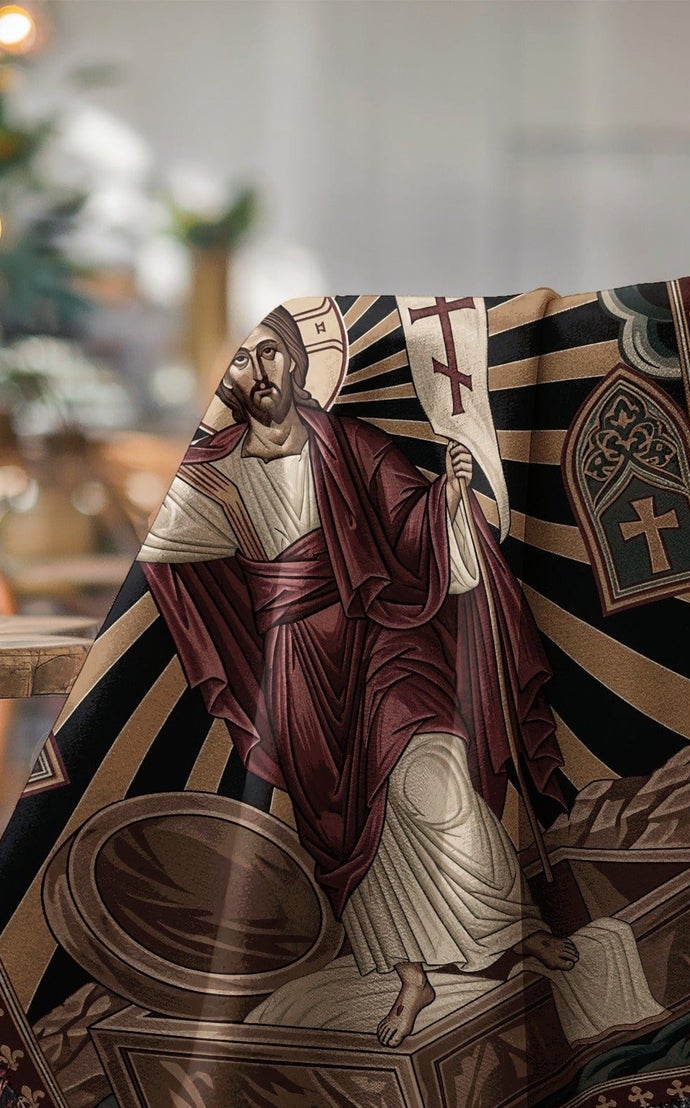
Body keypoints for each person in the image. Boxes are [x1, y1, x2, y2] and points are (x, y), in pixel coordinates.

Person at [139, 306, 575, 1045]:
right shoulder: (212, 475)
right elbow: (165, 560)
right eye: (243, 361)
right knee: (344, 829)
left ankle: (510, 933)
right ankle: (407, 980)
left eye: (272, 353)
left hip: (381, 636)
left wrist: (445, 499)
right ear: (228, 379)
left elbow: (408, 523)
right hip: (298, 663)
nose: (260, 372)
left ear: (301, 362)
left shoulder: (349, 443)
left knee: (434, 770)